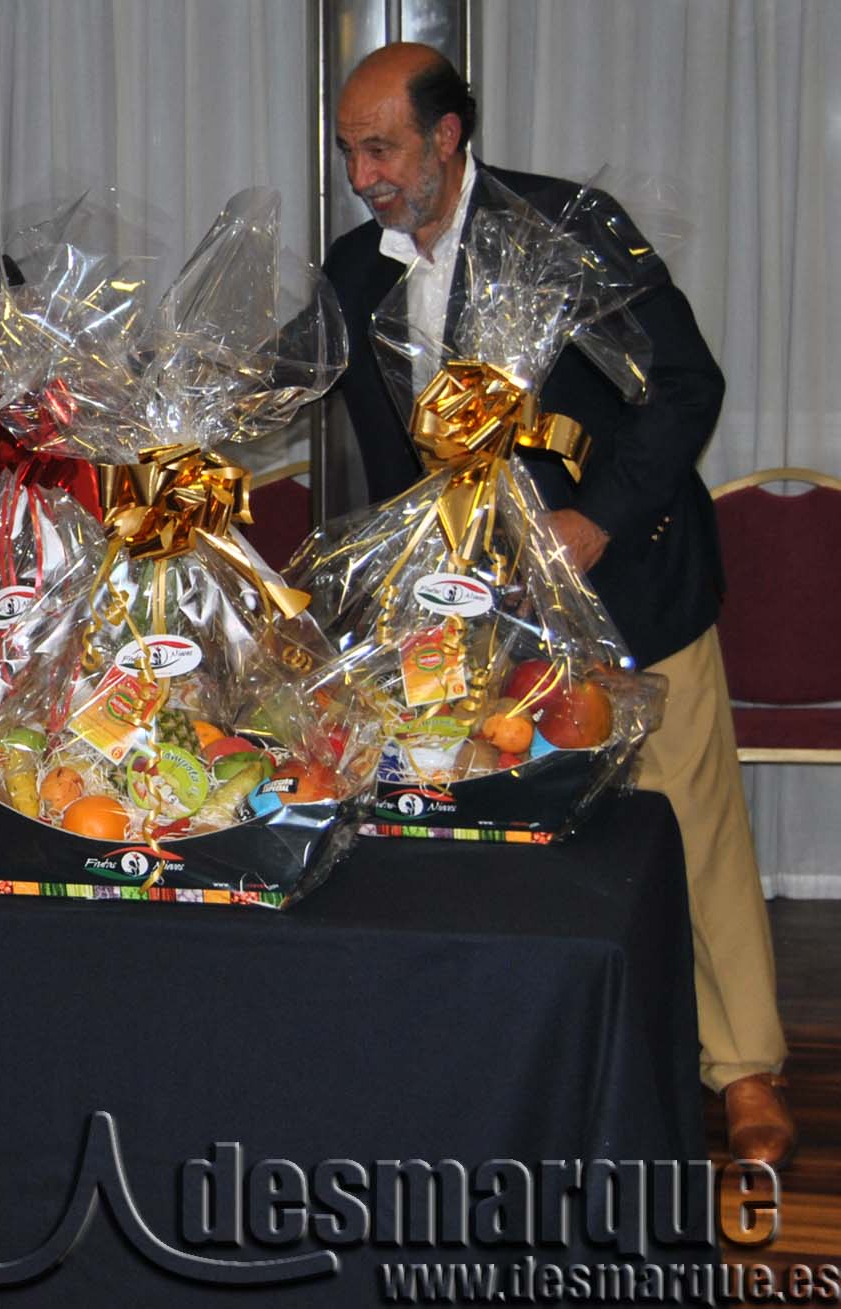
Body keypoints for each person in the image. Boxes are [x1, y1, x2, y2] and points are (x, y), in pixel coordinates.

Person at [325, 43, 793, 1164]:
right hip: (467, 614)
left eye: (381, 148)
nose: (362, 176)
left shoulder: (567, 229)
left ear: (447, 136)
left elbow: (685, 387)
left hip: (621, 587)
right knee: (505, 839)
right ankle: (536, 1059)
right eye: (349, 152)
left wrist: (597, 521)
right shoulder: (352, 270)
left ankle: (744, 1069)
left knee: (685, 825)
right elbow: (377, 454)